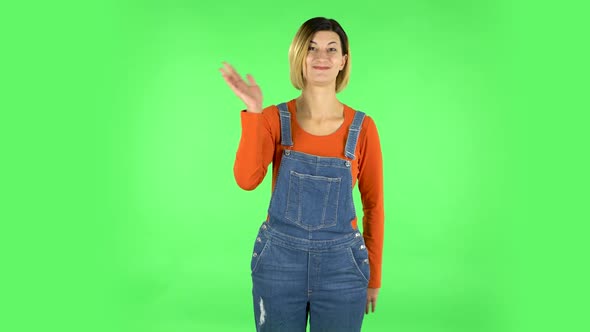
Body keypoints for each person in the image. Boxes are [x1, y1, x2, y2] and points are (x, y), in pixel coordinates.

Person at [220, 17, 384, 332]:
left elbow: (374, 206)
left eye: (331, 49)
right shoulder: (272, 119)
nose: (321, 57)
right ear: (299, 57)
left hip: (343, 268)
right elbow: (246, 179)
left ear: (343, 61)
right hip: (278, 264)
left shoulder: (363, 128)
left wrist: (373, 276)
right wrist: (254, 111)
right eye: (311, 48)